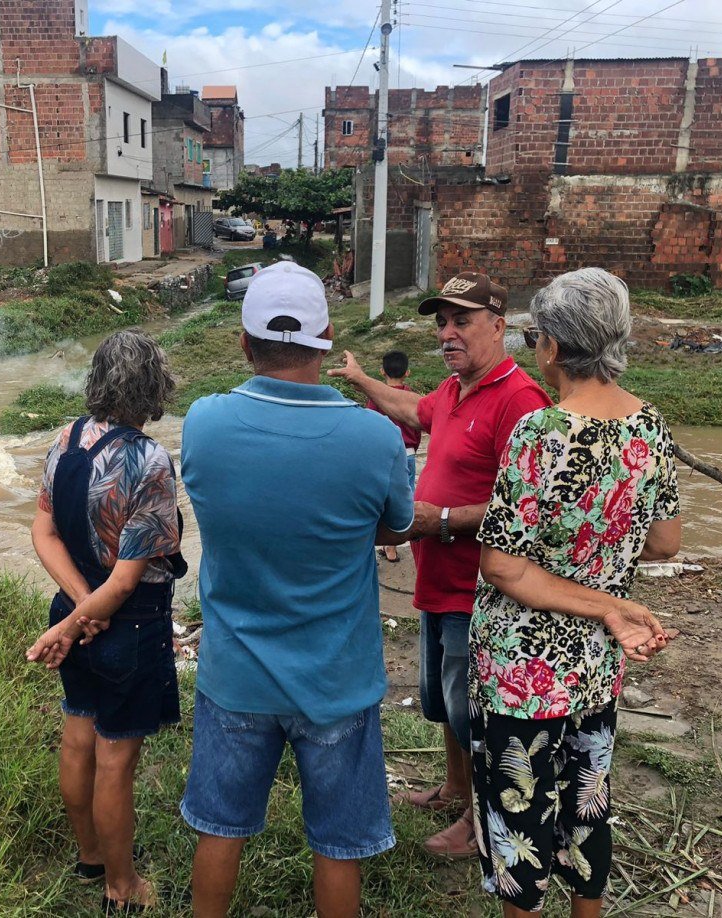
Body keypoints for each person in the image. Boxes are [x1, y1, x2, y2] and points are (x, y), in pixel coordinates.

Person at [180, 261, 415, 918]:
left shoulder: (204, 424)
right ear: (327, 339)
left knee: (221, 827)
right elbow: (394, 525)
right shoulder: (374, 437)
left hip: (236, 675)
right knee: (338, 844)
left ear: (244, 343)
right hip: (336, 679)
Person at [469, 267, 681, 917]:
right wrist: (605, 567)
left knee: (518, 823)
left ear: (554, 347)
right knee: (587, 805)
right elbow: (664, 543)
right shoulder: (649, 426)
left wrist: (588, 586)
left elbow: (503, 567)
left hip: (521, 672)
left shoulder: (542, 434)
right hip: (594, 665)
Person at [329, 272, 550, 859]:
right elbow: (412, 408)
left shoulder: (520, 400)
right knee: (442, 702)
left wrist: (441, 520)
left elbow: (525, 507)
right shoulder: (454, 391)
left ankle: (483, 822)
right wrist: (360, 380)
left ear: (500, 326)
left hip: (477, 586)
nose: (447, 334)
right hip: (435, 579)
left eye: (462, 322)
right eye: (441, 323)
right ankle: (457, 789)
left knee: (470, 707)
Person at [25, 329, 186, 914]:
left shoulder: (65, 440)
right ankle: (123, 887)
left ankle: (90, 855)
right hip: (129, 623)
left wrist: (72, 610)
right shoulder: (149, 460)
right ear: (152, 386)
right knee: (115, 758)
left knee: (78, 735)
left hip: (77, 610)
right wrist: (78, 620)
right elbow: (123, 582)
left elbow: (42, 531)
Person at [367, 350, 421, 563]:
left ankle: (380, 542)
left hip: (382, 456)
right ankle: (394, 545)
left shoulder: (376, 398)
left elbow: (370, 427)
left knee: (380, 498)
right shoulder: (411, 397)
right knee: (405, 498)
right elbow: (418, 426)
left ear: (382, 371)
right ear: (407, 372)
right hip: (407, 455)